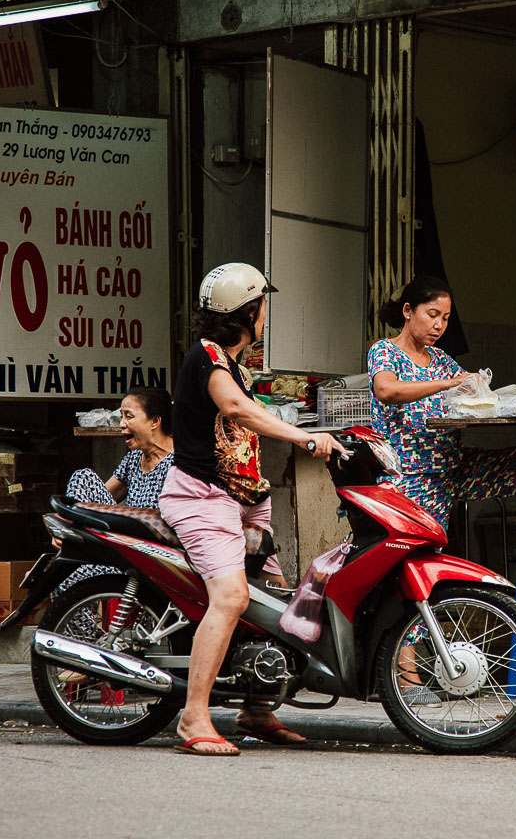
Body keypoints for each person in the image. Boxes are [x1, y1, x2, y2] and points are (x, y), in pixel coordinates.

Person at [161, 262, 345, 756]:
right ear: (248, 310)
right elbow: (238, 410)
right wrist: (306, 437)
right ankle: (193, 717)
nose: (267, 314)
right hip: (203, 498)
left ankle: (257, 709)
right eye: (263, 305)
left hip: (246, 500)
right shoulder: (208, 359)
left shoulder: (235, 360)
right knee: (231, 599)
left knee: (277, 606)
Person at [368, 275, 516, 580]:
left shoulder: (440, 358)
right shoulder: (385, 352)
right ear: (408, 311)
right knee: (420, 568)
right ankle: (414, 627)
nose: (439, 325)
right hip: (412, 478)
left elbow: (471, 391)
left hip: (454, 468)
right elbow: (387, 390)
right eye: (432, 315)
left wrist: (481, 389)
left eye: (446, 318)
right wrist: (449, 383)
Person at [58, 387, 174, 591]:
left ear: (155, 421)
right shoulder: (133, 460)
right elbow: (96, 500)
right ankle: (71, 541)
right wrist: (65, 523)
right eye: (121, 417)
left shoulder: (180, 463)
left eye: (129, 416)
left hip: (154, 553)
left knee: (74, 576)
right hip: (123, 545)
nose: (122, 424)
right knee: (83, 477)